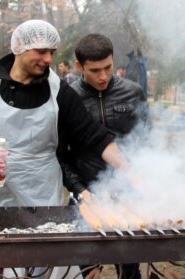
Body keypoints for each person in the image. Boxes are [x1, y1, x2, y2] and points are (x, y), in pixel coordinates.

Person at [0, 20, 137, 278]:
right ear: (19, 47)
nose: (47, 58)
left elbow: (94, 137)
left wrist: (129, 170)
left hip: (40, 186)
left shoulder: (59, 91)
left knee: (43, 258)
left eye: (51, 52)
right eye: (41, 51)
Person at [62, 33, 150, 279]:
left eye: (108, 67)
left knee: (129, 269)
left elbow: (146, 141)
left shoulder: (133, 92)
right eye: (94, 70)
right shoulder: (68, 98)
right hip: (87, 192)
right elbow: (61, 154)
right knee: (89, 270)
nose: (102, 76)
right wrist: (80, 189)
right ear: (79, 66)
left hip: (126, 192)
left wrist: (139, 178)